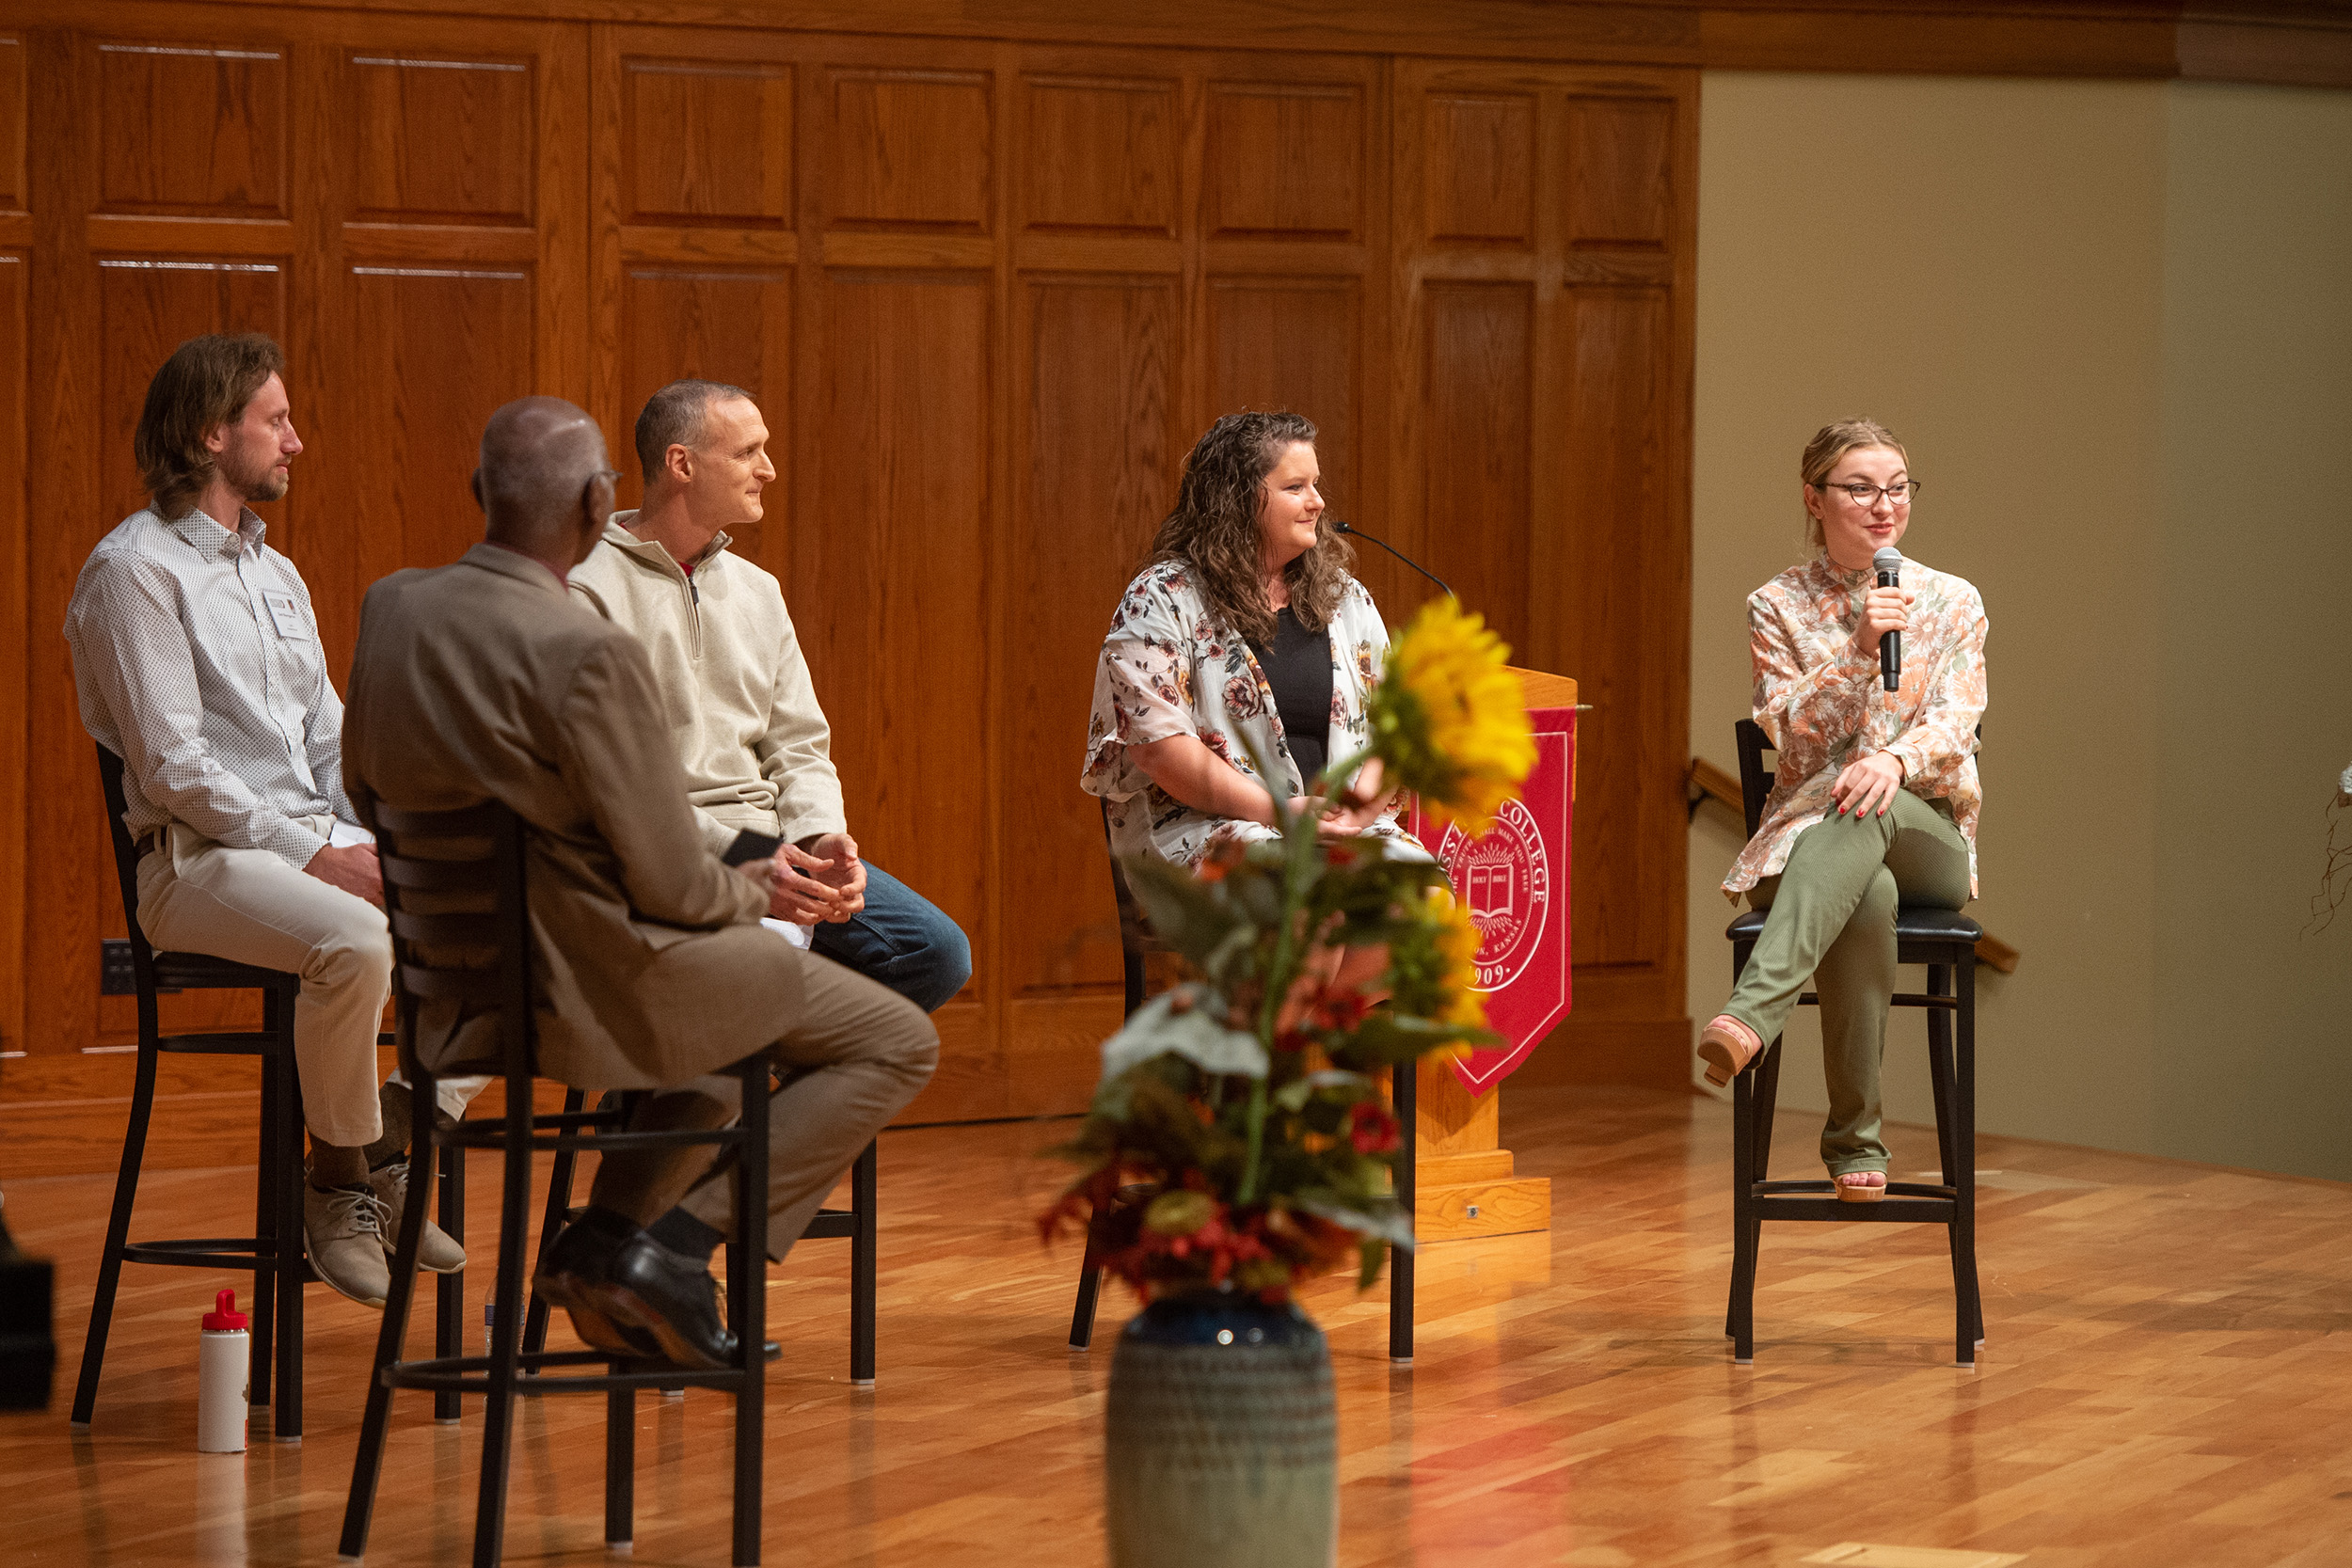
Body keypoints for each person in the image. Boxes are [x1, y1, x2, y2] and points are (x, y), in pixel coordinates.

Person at [341, 396, 937, 1368]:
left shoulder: (392, 605)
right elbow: (673, 884)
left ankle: (603, 1242)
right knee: (896, 1035)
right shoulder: (588, 647)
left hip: (449, 990)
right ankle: (671, 1248)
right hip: (587, 984)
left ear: (478, 493)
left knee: (726, 1032)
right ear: (593, 504)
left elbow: (361, 781)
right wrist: (767, 896)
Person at [64, 333, 460, 1309]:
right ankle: (338, 1183)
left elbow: (328, 744)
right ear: (211, 434)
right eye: (275, 420)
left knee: (492, 909)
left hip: (299, 838)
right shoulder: (134, 571)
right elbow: (175, 767)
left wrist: (388, 839)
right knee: (360, 937)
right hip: (195, 861)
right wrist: (321, 851)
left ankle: (391, 1132)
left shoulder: (276, 576)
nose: (296, 441)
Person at [569, 380, 970, 1013]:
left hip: (773, 843)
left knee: (934, 950)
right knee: (737, 976)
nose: (769, 469)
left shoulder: (760, 590)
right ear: (682, 464)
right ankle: (695, 1093)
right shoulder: (586, 589)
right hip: (662, 853)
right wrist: (753, 860)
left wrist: (821, 841)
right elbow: (613, 785)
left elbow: (801, 744)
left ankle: (729, 1094)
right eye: (747, 452)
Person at [1697, 419, 1988, 1202]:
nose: (1883, 504)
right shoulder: (1776, 606)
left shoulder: (1952, 600)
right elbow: (1791, 739)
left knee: (1875, 807)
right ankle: (1856, 1143)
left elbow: (1956, 724)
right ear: (1814, 499)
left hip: (1926, 830)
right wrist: (1858, 649)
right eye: (1860, 488)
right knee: (1868, 889)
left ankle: (1754, 1011)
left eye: (1897, 487)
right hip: (1812, 833)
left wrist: (1892, 762)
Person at [1081, 411, 1424, 868]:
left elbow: (1394, 722)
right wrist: (1280, 813)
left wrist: (1361, 807)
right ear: (1238, 499)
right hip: (1210, 824)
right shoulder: (1163, 598)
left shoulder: (1345, 599)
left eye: (1316, 484)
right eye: (1295, 487)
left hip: (1339, 826)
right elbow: (1159, 749)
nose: (1318, 502)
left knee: (1415, 893)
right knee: (1307, 889)